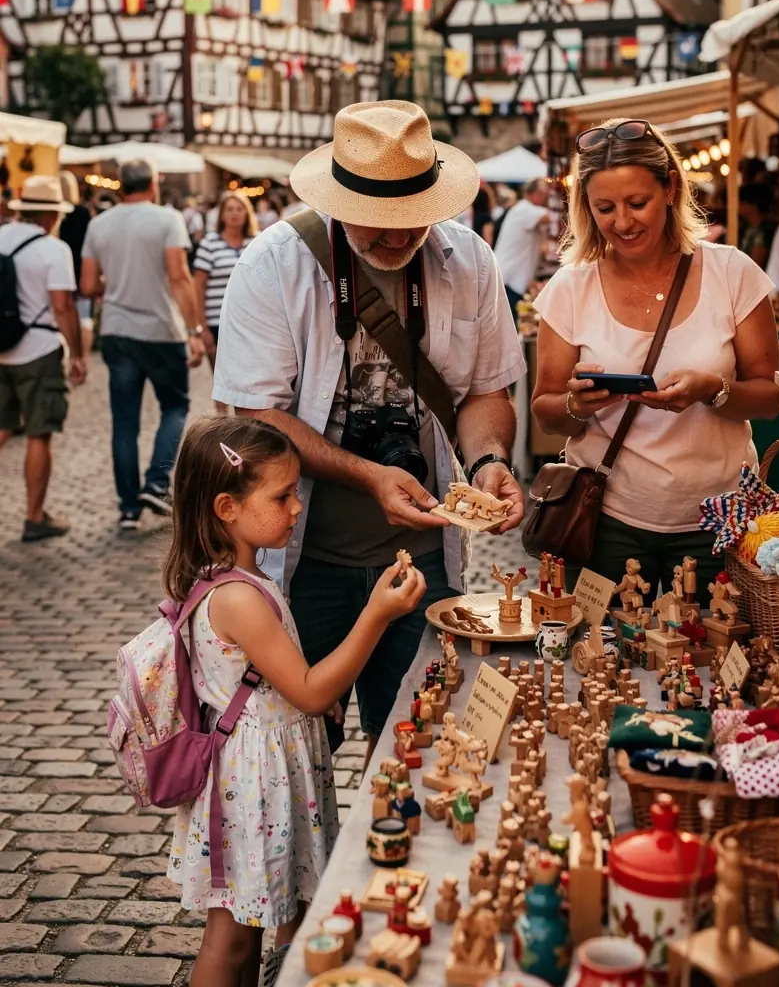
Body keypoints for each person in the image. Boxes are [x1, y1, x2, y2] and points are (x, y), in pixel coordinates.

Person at [213, 100, 526, 760]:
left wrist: (488, 462)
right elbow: (255, 418)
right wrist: (367, 476)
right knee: (297, 756)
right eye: (377, 219)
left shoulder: (471, 261)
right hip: (302, 563)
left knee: (419, 742)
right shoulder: (273, 265)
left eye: (412, 216)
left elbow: (486, 393)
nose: (396, 235)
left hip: (424, 564)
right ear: (337, 200)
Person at [165, 415, 426, 987]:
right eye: (282, 496)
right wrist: (376, 614)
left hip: (263, 772)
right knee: (229, 941)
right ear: (227, 508)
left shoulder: (247, 575)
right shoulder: (237, 595)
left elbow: (279, 680)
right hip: (247, 783)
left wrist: (299, 700)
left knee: (250, 928)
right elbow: (310, 687)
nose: (297, 507)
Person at [531, 117, 779, 595]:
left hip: (720, 519)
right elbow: (545, 410)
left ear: (670, 188)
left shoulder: (732, 273)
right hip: (606, 520)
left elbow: (769, 399)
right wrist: (577, 405)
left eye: (637, 203)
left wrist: (713, 391)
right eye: (605, 208)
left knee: (717, 635)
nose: (622, 222)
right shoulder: (571, 286)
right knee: (605, 641)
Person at [80, 158, 205, 531]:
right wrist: (195, 330)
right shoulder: (167, 219)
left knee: (124, 421)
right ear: (152, 185)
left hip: (117, 331)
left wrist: (117, 284)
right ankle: (156, 483)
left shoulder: (99, 224)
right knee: (175, 406)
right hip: (160, 330)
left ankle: (128, 508)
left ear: (121, 185)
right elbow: (179, 277)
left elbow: (88, 285)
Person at [0, 175, 86, 541]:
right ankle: (34, 517)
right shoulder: (54, 249)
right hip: (38, 350)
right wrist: (78, 354)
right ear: (52, 215)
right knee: (39, 432)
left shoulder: (2, 236)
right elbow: (62, 306)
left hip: (1, 349)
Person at [194, 191, 258, 412]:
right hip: (216, 322)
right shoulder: (210, 243)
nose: (234, 214)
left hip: (250, 323)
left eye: (239, 209)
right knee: (221, 383)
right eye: (229, 209)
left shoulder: (256, 242)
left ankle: (243, 425)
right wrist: (202, 328)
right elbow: (198, 286)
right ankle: (222, 424)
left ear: (247, 213)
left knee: (247, 382)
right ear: (221, 215)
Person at [493, 178, 550, 318]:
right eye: (545, 193)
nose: (547, 197)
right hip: (510, 279)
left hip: (511, 278)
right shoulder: (524, 209)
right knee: (511, 320)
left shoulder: (524, 209)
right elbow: (552, 217)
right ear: (535, 194)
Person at [58, 171, 94, 356]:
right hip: (81, 269)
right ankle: (82, 357)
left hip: (60, 269)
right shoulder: (83, 213)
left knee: (63, 313)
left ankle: (70, 355)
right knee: (84, 318)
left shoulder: (57, 213)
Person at [738, 184, 774, 269]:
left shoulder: (762, 233)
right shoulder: (748, 229)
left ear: (753, 205)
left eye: (742, 203)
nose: (738, 206)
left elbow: (754, 264)